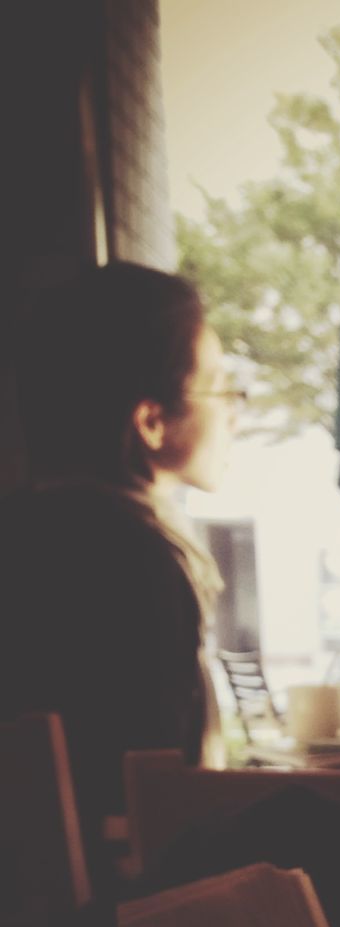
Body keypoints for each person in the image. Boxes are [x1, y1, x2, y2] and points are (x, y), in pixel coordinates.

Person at [0, 262, 238, 891]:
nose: (235, 412)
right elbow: (153, 807)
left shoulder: (25, 532)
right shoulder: (137, 561)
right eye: (219, 389)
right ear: (152, 420)